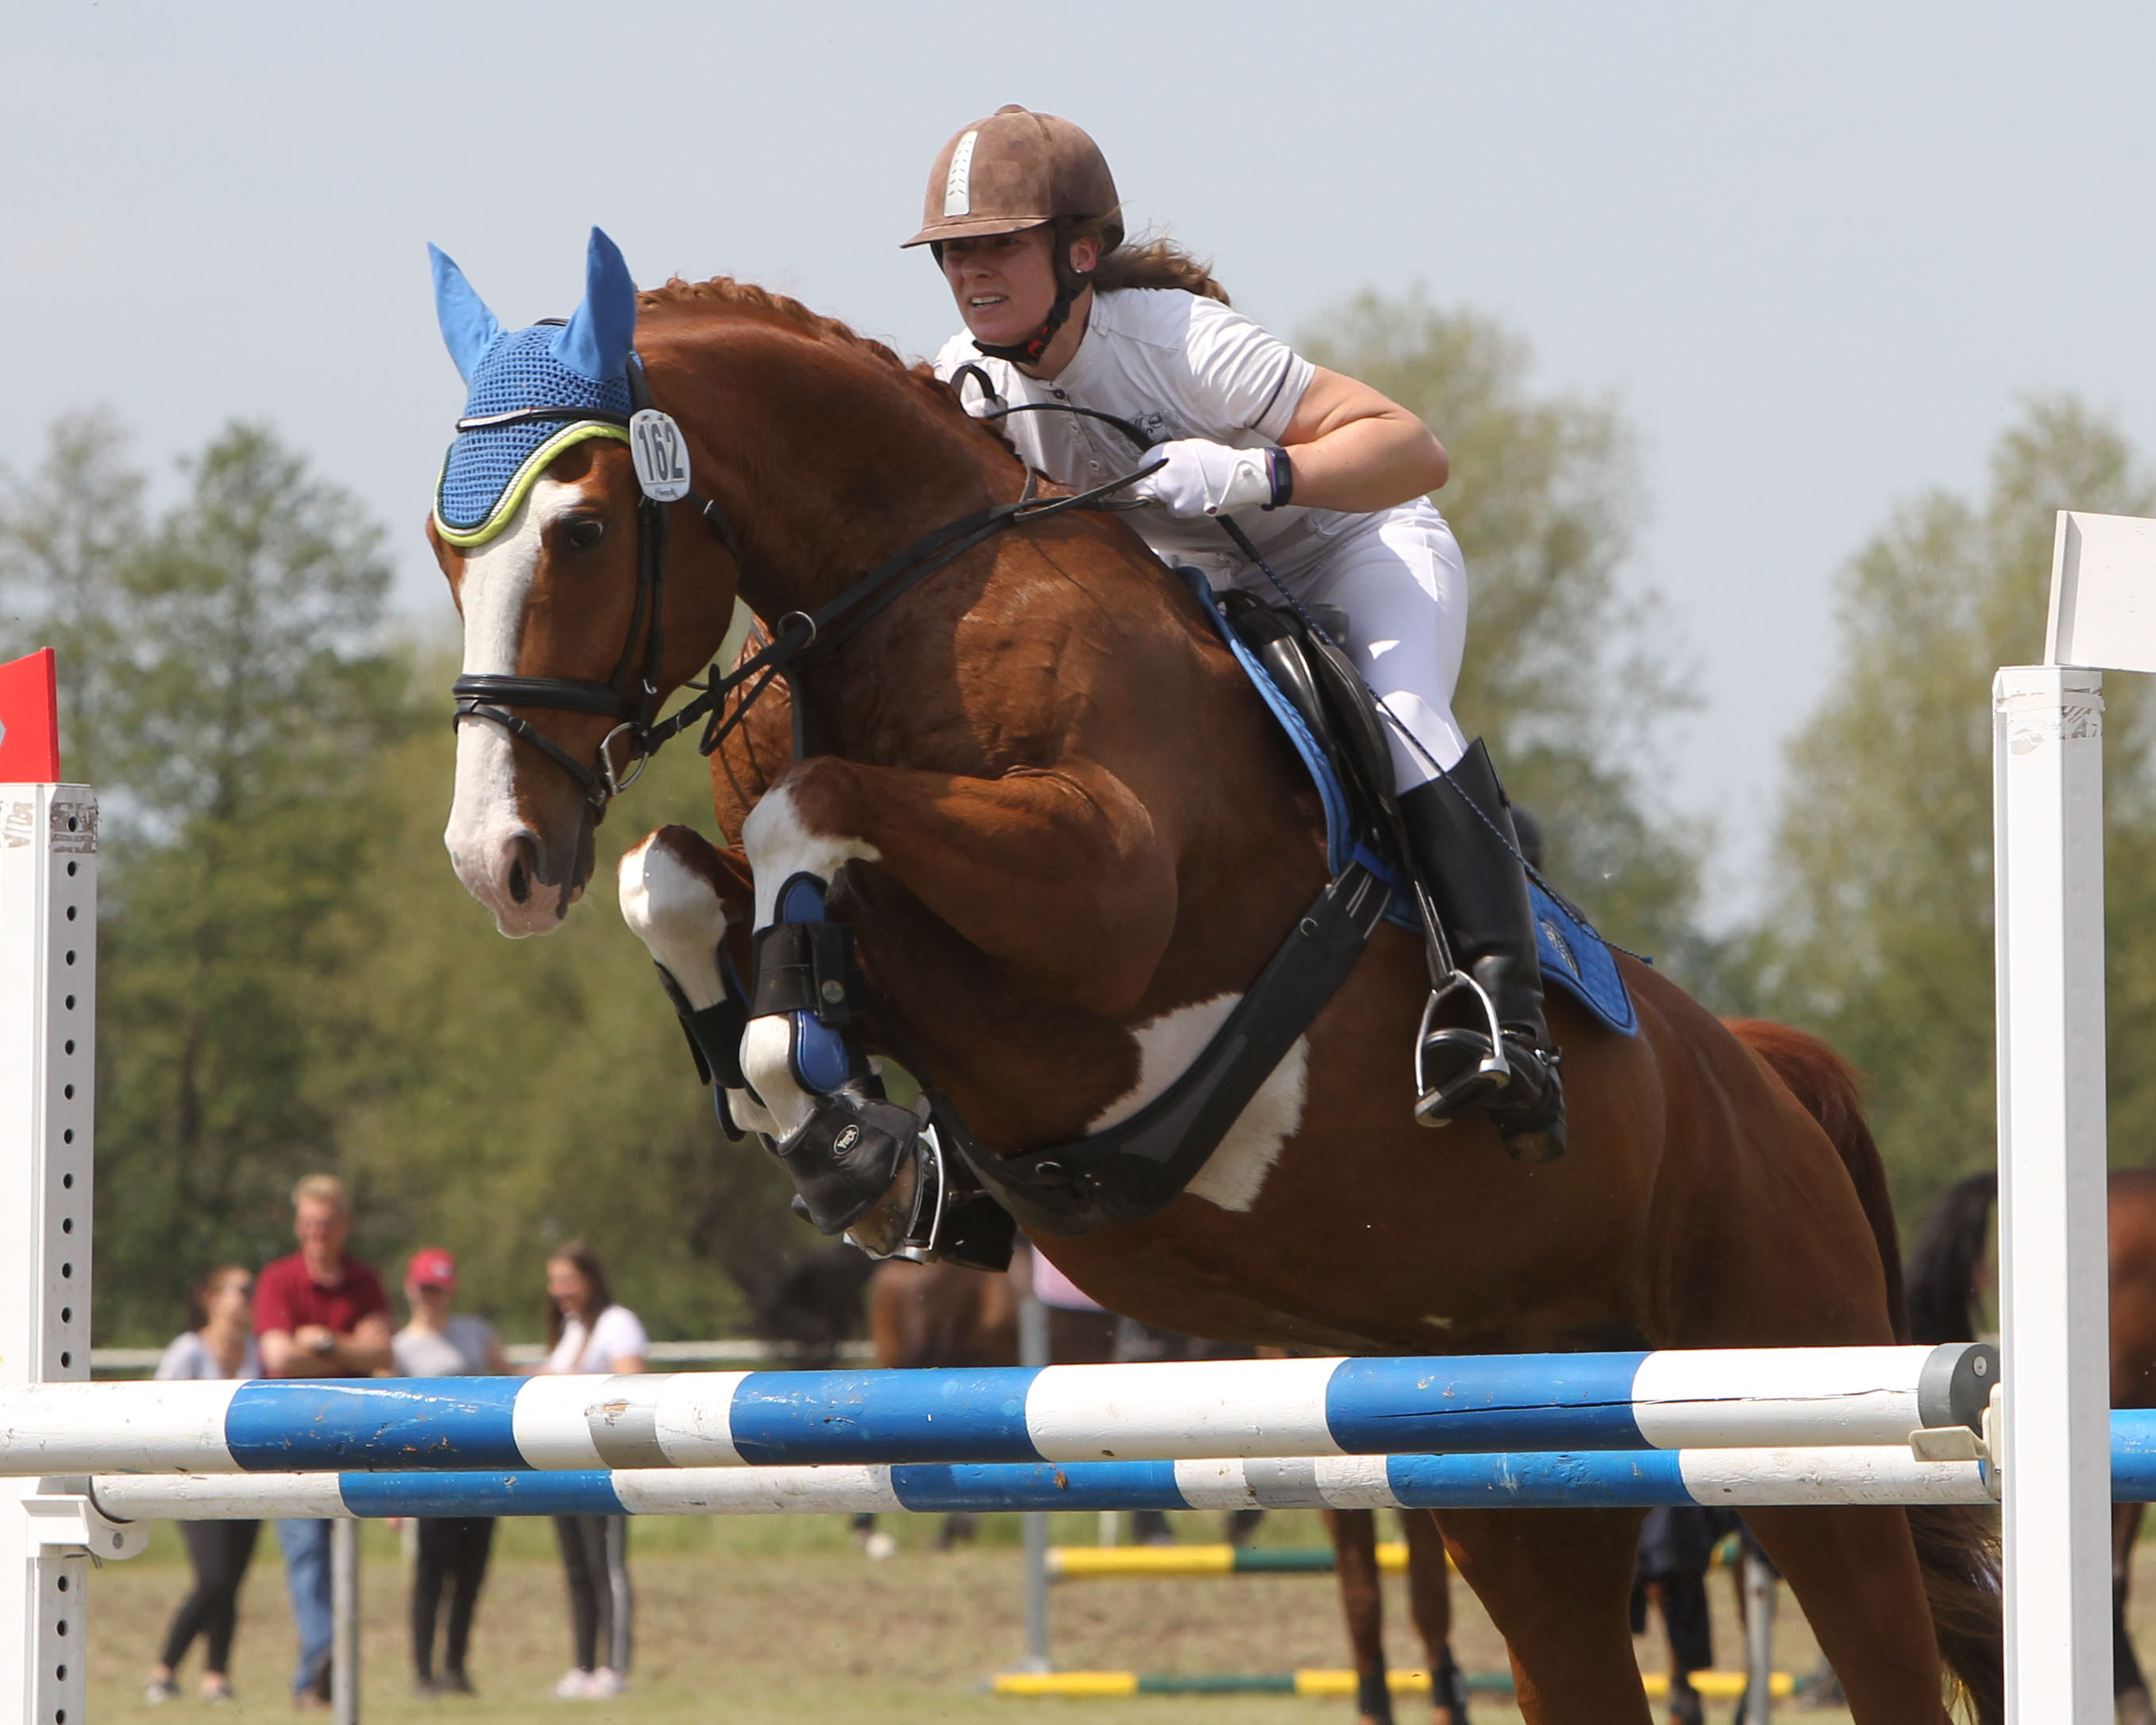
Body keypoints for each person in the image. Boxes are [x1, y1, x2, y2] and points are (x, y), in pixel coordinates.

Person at [905, 106, 1564, 1155]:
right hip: (1195, 590)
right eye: (954, 252)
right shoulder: (965, 386)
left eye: (999, 245)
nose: (972, 272)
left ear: (1079, 252)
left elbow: (1413, 449)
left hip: (1354, 546)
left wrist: (1261, 471)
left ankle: (1500, 1011)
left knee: (1397, 717)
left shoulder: (1175, 339)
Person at [256, 1174, 391, 1709]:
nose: (317, 1233)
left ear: (344, 1227)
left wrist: (324, 1342)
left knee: (342, 1555)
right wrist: (349, 1353)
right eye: (309, 1223)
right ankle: (322, 1660)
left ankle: (318, 1673)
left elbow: (383, 1355)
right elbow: (277, 1359)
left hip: (351, 1436)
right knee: (307, 1555)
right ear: (298, 1225)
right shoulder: (278, 1279)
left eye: (327, 1223)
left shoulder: (365, 1281)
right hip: (290, 1439)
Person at [145, 1267, 262, 1705]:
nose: (250, 1300)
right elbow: (158, 1405)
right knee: (213, 1577)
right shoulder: (188, 1351)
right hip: (194, 1482)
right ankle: (165, 1668)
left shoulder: (257, 1349)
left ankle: (216, 1674)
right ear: (212, 1298)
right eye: (243, 1291)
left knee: (231, 1581)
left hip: (247, 1483)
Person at [391, 1248, 507, 1696]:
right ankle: (423, 1671)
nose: (432, 1298)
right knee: (430, 1574)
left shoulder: (476, 1333)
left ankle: (457, 1666)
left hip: (480, 1473)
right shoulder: (402, 1348)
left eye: (439, 1289)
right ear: (411, 1288)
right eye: (426, 1288)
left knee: (471, 1574)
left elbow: (508, 1380)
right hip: (429, 1476)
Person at [536, 1241, 646, 1700]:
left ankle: (614, 1666)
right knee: (577, 1568)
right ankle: (582, 1665)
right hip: (564, 1464)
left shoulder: (616, 1323)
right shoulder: (569, 1330)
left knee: (608, 1568)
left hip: (604, 1464)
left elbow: (633, 1382)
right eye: (554, 1280)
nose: (560, 1290)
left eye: (569, 1279)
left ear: (591, 1281)